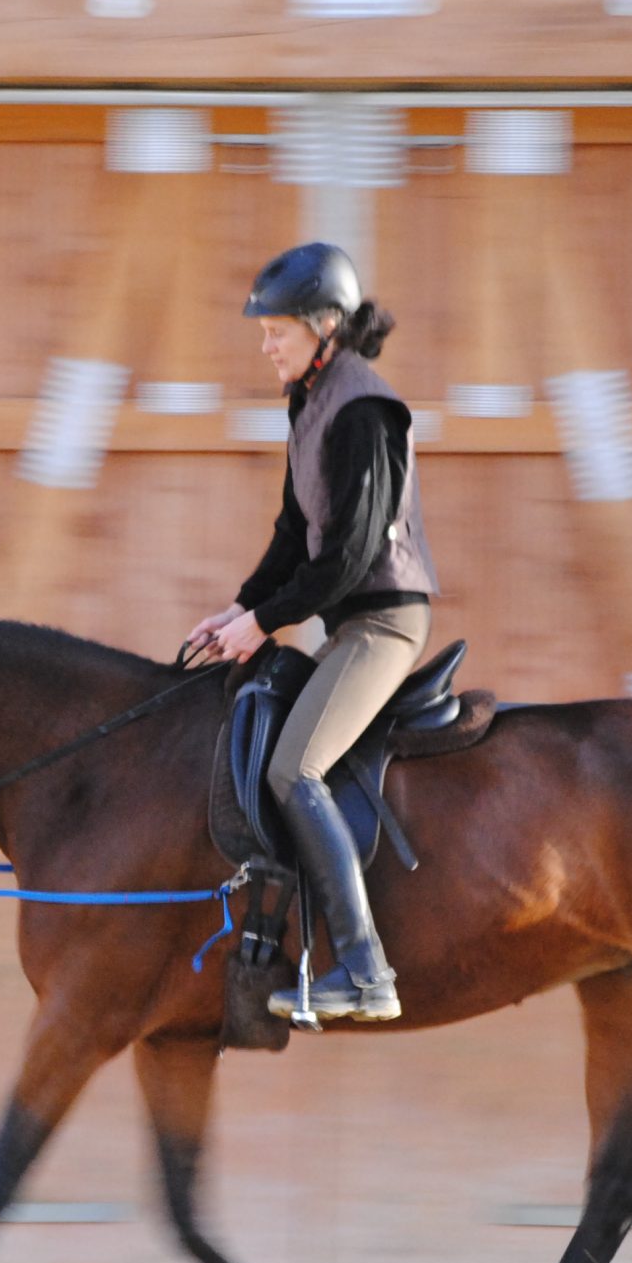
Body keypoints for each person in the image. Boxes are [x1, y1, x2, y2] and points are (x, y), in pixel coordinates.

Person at [185, 242, 439, 1025]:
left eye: (277, 330)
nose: (265, 344)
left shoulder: (362, 407)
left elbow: (354, 554)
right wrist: (239, 611)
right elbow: (295, 535)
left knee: (296, 769)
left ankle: (365, 971)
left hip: (384, 621)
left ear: (325, 326)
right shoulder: (310, 402)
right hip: (346, 617)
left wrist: (266, 621)